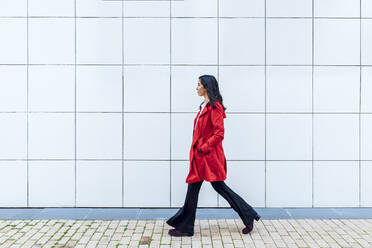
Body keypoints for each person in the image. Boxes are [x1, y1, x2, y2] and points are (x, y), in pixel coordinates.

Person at [166, 75, 261, 237]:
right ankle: (186, 226)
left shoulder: (214, 107)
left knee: (217, 187)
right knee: (197, 189)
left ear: (206, 87)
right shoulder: (204, 106)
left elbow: (219, 134)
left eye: (198, 85)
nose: (196, 88)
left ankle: (247, 214)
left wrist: (203, 148)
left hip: (208, 157)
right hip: (200, 157)